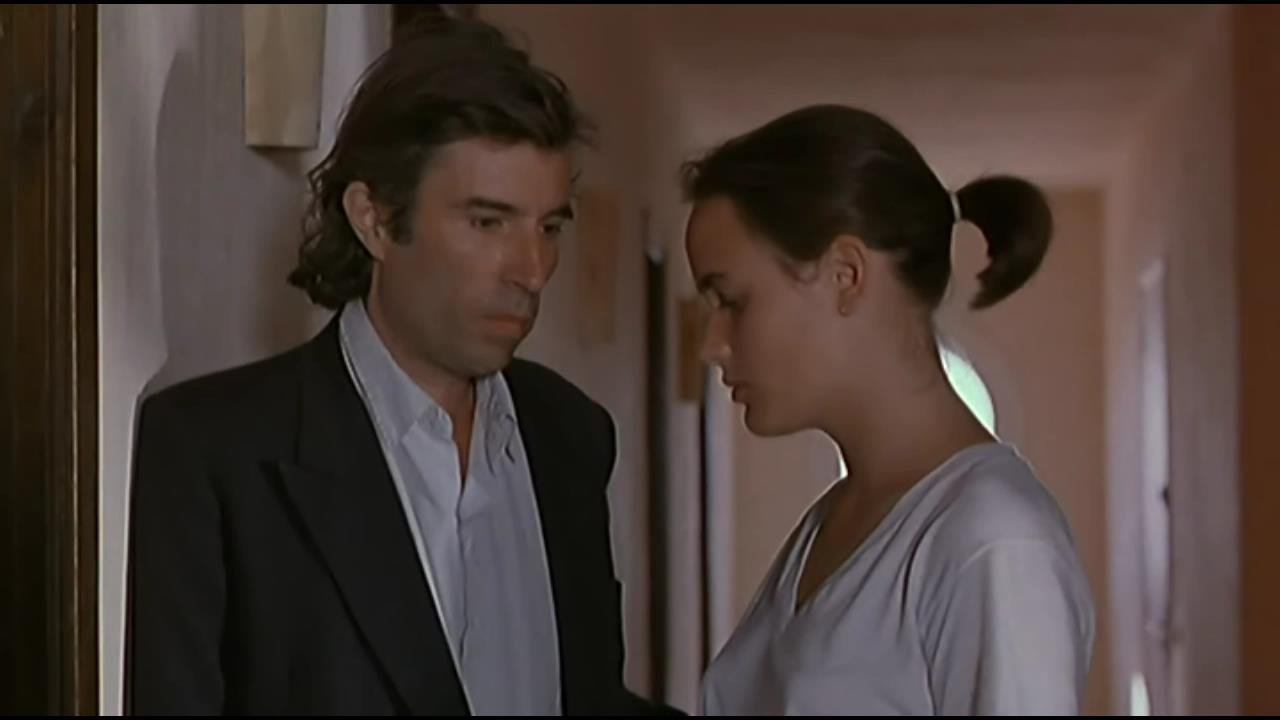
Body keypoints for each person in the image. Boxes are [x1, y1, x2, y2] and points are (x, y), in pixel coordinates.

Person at [125, 16, 665, 716]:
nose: (532, 271)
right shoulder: (215, 452)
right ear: (374, 219)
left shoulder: (570, 435)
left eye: (549, 227)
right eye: (488, 222)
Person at [682, 105, 1095, 715]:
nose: (711, 344)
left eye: (732, 301)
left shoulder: (994, 541)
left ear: (846, 275)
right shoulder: (836, 519)